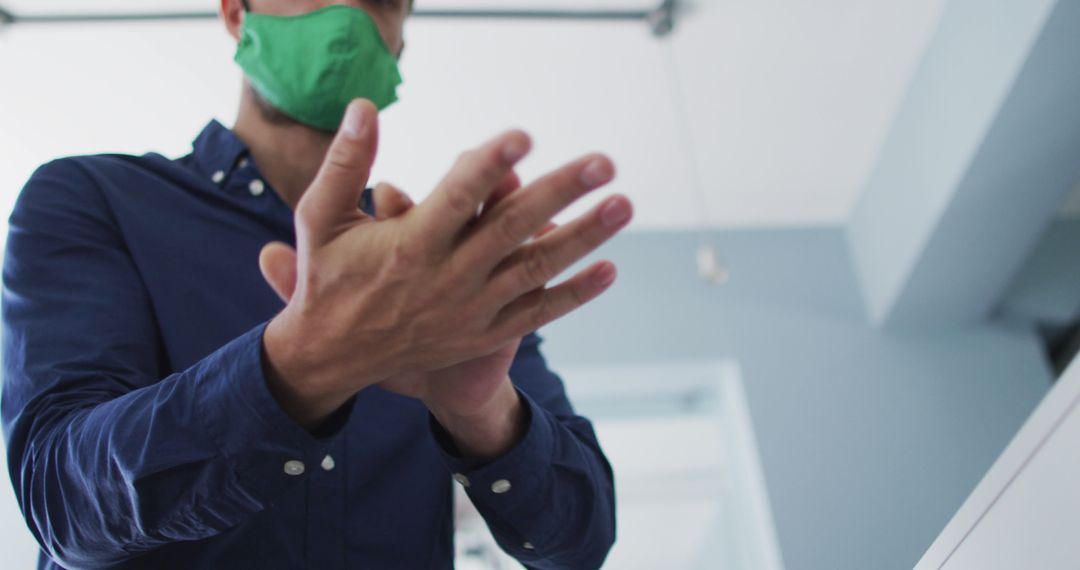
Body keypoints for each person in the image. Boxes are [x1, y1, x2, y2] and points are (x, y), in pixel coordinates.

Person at [0, 0, 633, 568]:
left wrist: (481, 411)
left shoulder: (441, 281)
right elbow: (63, 501)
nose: (349, 11)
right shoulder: (94, 200)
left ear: (400, 45)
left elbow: (581, 543)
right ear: (235, 13)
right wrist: (303, 366)